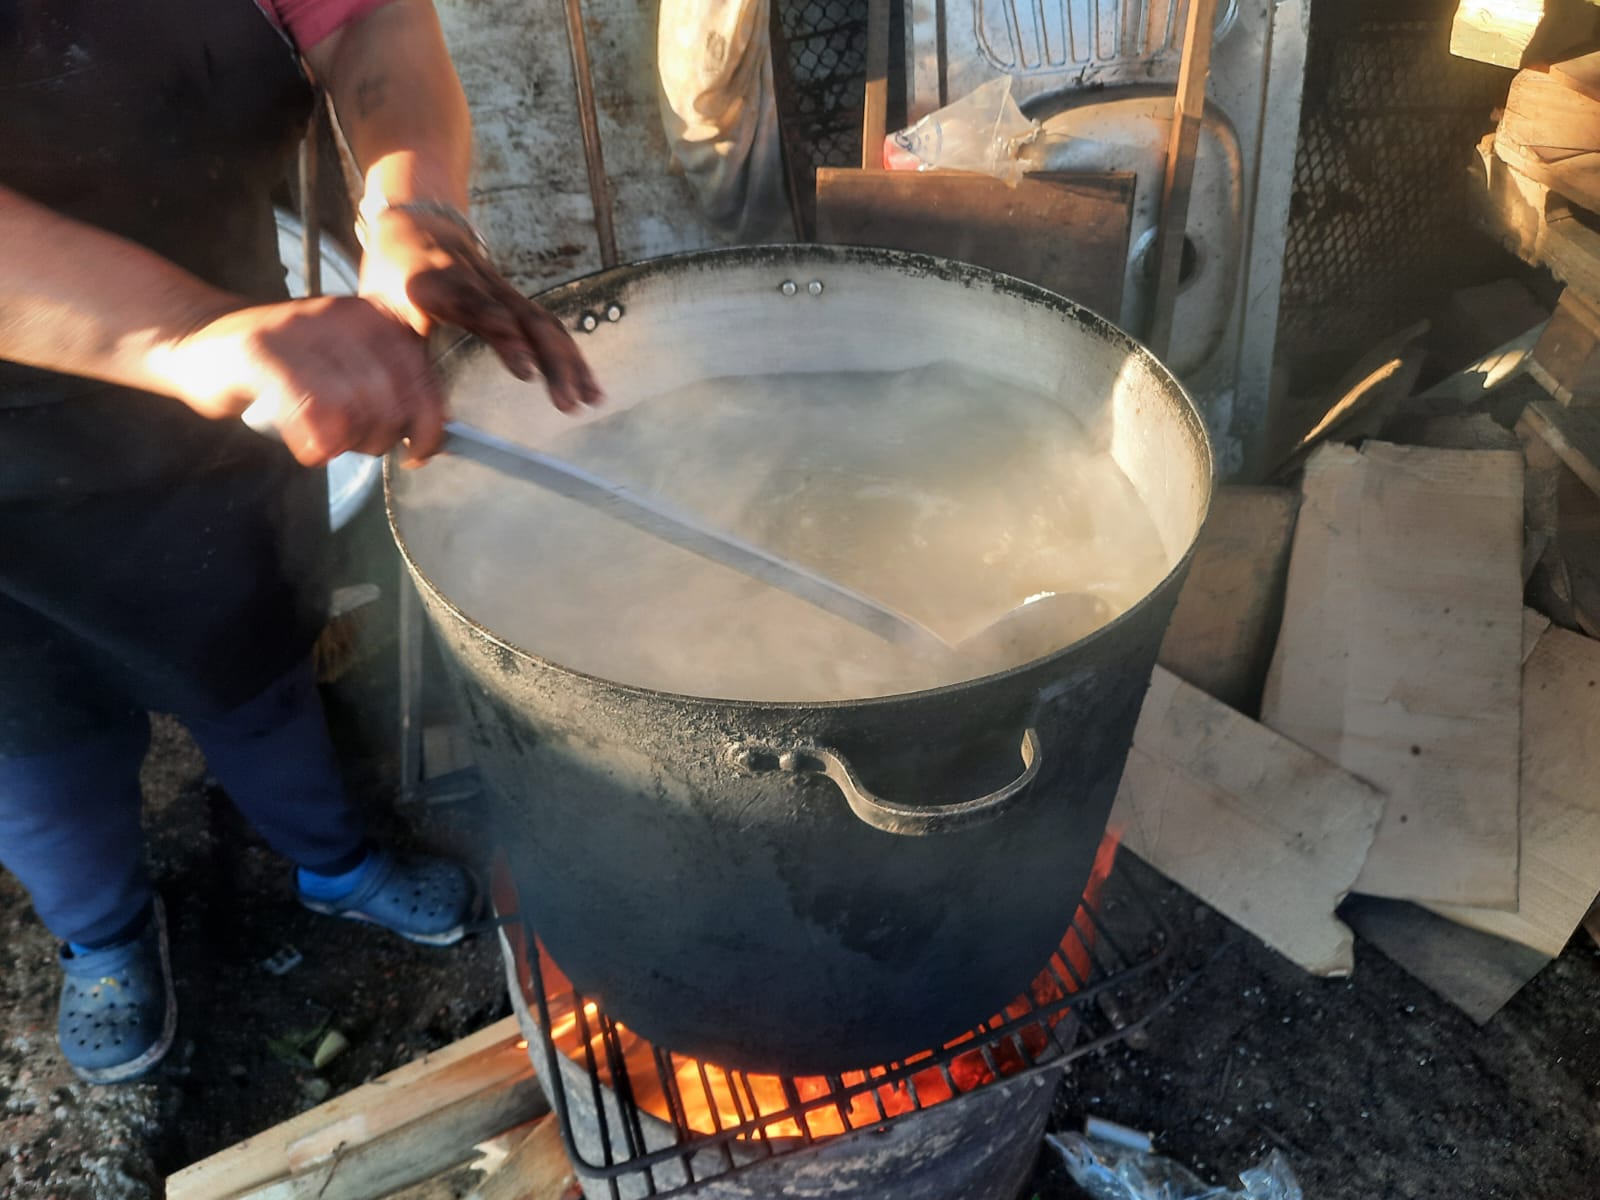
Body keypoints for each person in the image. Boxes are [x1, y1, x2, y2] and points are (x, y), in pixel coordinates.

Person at [0, 0, 599, 1084]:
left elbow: (369, 24)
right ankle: (102, 936)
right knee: (38, 754)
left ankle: (334, 864)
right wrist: (175, 333)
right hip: (61, 441)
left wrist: (415, 210)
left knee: (256, 671)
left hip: (231, 389)